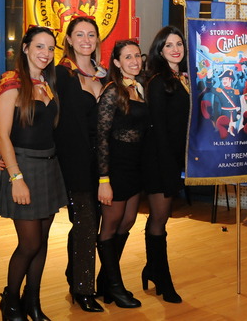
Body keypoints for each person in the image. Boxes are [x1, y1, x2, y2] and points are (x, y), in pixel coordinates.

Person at [0, 26, 67, 321]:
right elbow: (3, 135)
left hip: (49, 166)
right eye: (39, 46)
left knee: (43, 241)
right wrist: (16, 177)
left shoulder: (48, 84)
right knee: (30, 243)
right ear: (25, 48)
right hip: (23, 168)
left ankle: (32, 301)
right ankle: (10, 300)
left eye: (50, 48)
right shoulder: (11, 82)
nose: (45, 53)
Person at [54, 16, 106, 312]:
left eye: (91, 34)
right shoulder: (61, 74)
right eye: (80, 34)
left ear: (97, 39)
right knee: (85, 222)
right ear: (69, 40)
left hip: (103, 163)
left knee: (91, 223)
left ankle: (74, 272)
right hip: (74, 160)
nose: (86, 40)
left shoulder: (104, 75)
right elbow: (42, 112)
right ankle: (83, 288)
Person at [95, 40, 149, 308]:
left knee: (127, 222)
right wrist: (103, 180)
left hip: (135, 166)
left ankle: (105, 282)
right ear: (116, 62)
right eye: (128, 57)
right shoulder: (112, 91)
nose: (134, 61)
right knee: (110, 226)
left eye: (137, 55)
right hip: (115, 167)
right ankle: (116, 288)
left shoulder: (140, 88)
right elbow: (101, 137)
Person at [141, 26, 190, 304]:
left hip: (174, 158)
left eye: (179, 43)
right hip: (159, 159)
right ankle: (163, 278)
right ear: (159, 50)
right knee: (160, 218)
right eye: (169, 45)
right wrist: (169, 165)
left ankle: (152, 268)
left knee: (160, 217)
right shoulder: (158, 81)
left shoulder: (182, 78)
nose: (175, 49)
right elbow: (158, 127)